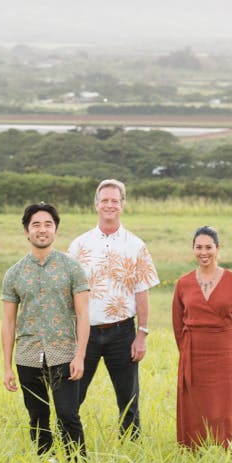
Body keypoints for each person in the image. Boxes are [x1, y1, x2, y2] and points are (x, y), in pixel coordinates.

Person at [68, 178, 159, 439]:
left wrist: (141, 334)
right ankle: (69, 443)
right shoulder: (79, 245)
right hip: (86, 333)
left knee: (129, 399)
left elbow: (142, 291)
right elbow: (69, 292)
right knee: (74, 393)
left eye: (115, 201)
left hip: (123, 332)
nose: (109, 205)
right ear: (96, 205)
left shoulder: (136, 245)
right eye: (104, 200)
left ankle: (131, 447)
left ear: (122, 205)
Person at [2, 203, 90, 459]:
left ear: (56, 230)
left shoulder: (71, 268)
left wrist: (80, 355)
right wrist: (7, 366)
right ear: (27, 232)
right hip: (28, 355)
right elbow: (8, 323)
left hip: (64, 353)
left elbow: (84, 315)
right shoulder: (14, 273)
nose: (42, 230)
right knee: (37, 415)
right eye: (36, 225)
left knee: (67, 414)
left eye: (48, 224)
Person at [171, 226, 232, 449]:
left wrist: (231, 350)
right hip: (193, 350)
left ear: (217, 249)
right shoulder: (183, 283)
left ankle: (227, 451)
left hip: (225, 350)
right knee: (194, 404)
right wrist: (187, 349)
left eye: (208, 247)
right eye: (199, 247)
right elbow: (178, 324)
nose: (203, 252)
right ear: (193, 250)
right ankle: (195, 451)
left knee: (224, 407)